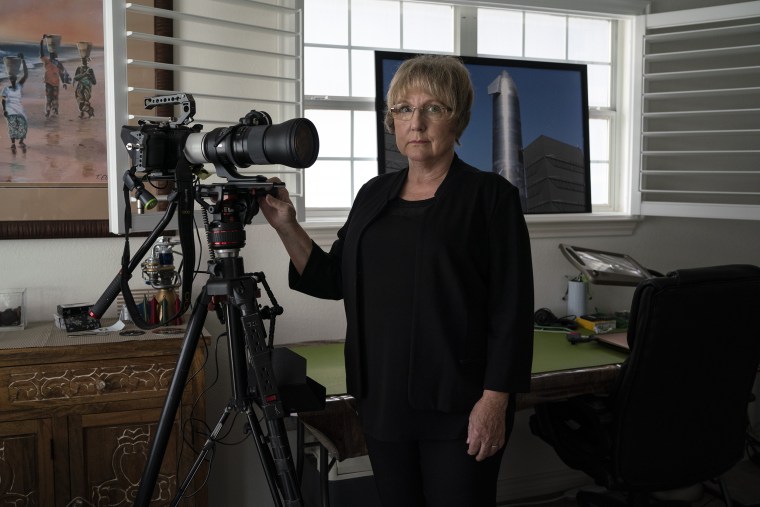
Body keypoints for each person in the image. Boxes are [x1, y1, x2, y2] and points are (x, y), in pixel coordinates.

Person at [259, 54, 534, 506]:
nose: (417, 122)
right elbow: (332, 279)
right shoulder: (373, 194)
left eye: (434, 108)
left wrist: (494, 402)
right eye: (404, 109)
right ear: (392, 120)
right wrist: (287, 225)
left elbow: (513, 308)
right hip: (382, 401)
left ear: (459, 117)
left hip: (459, 405)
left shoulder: (490, 197)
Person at [1, 53, 29, 154]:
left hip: (19, 109)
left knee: (23, 124)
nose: (12, 80)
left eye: (14, 78)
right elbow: (3, 100)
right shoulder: (6, 89)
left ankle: (21, 141)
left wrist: (23, 60)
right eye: (11, 78)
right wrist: (4, 110)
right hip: (10, 110)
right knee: (12, 126)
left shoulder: (19, 86)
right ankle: (13, 143)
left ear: (15, 79)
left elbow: (26, 74)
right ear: (9, 79)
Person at [39, 34, 71, 117]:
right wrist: (42, 41)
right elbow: (41, 53)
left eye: (54, 54)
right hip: (49, 83)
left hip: (55, 83)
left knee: (54, 97)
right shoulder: (47, 61)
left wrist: (64, 82)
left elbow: (61, 74)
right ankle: (49, 111)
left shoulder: (57, 63)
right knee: (50, 97)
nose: (54, 55)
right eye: (53, 54)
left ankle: (54, 111)